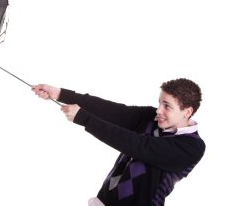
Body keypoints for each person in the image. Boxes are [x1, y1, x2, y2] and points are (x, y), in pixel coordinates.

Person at [32, 78, 205, 206]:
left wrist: (85, 119)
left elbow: (138, 146)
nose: (158, 110)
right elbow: (112, 111)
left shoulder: (192, 147)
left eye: (167, 106)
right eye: (159, 102)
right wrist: (61, 93)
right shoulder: (151, 117)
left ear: (187, 112)